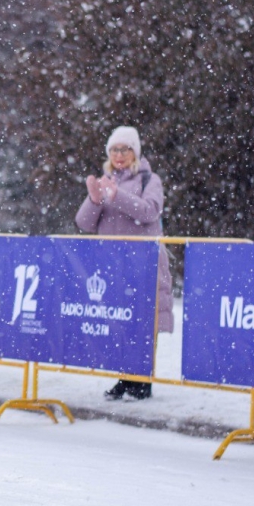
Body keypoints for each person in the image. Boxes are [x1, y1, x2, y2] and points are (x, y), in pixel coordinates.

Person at [75, 125, 174, 401]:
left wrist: (117, 196)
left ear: (135, 152)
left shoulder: (149, 180)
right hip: (113, 267)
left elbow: (149, 211)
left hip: (143, 265)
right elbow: (84, 223)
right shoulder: (106, 179)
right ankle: (124, 376)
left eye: (124, 148)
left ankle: (142, 379)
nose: (119, 155)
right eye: (114, 149)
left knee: (143, 323)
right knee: (119, 323)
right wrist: (95, 200)